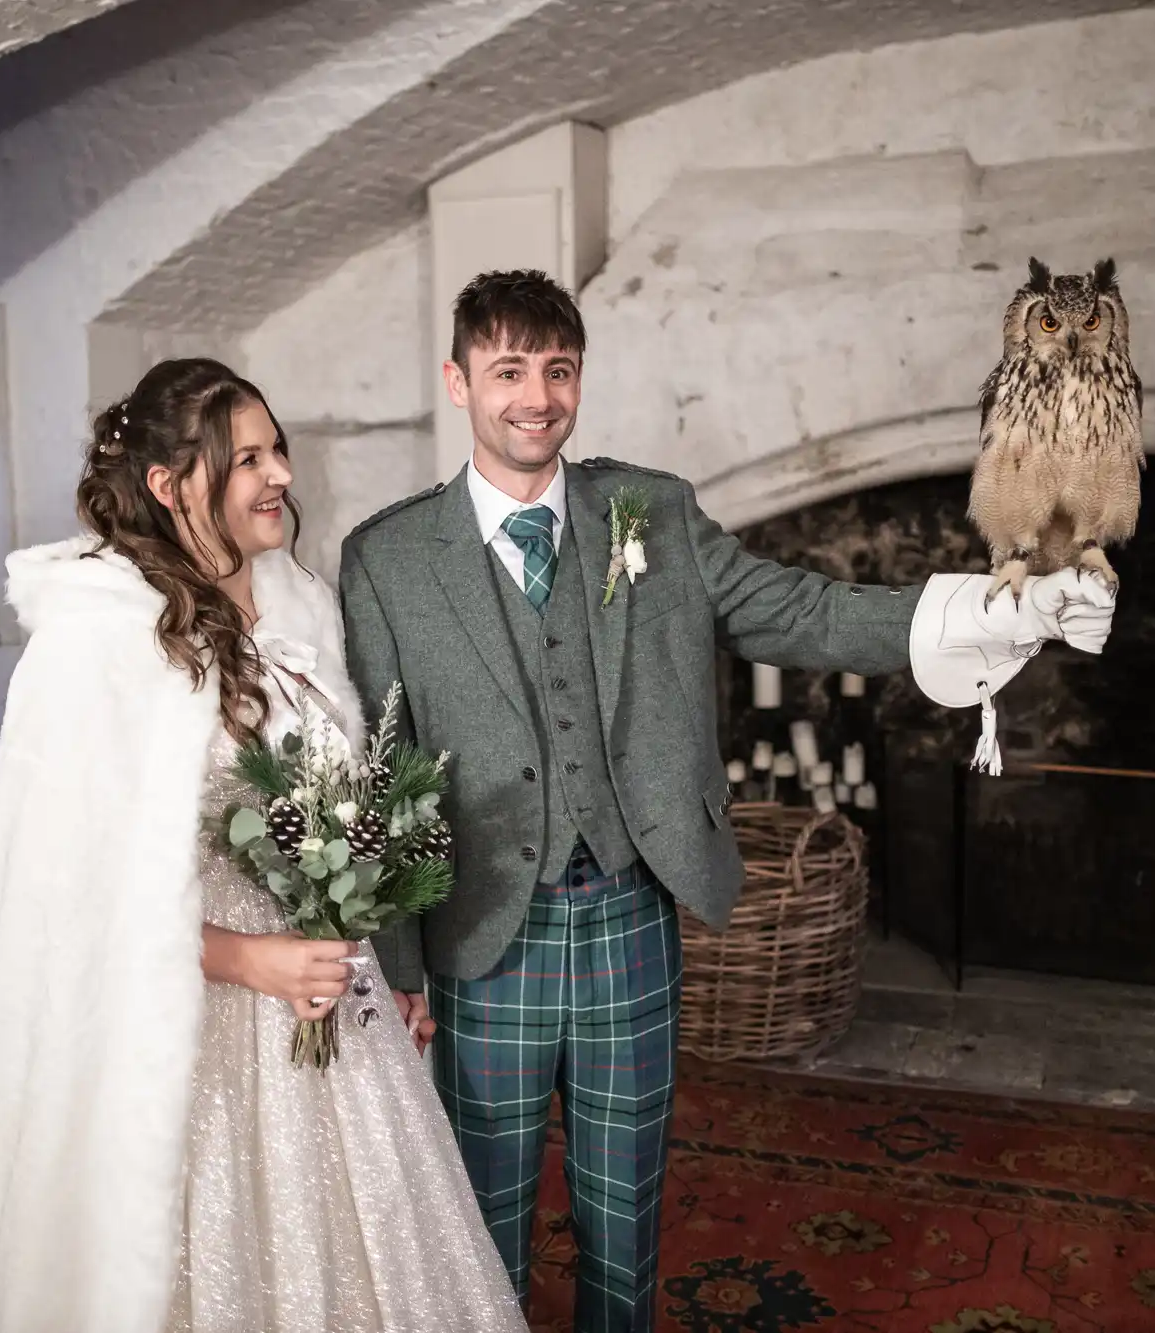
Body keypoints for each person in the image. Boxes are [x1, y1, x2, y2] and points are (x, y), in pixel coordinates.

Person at [338, 270, 1115, 1330]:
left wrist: (995, 609)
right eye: (507, 370)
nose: (535, 397)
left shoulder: (646, 508)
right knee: (481, 1227)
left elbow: (797, 609)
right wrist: (400, 970)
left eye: (556, 371)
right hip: (481, 943)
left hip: (628, 920)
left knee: (625, 1221)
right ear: (459, 380)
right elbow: (381, 772)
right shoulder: (384, 558)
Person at [0, 359, 526, 1333]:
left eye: (279, 453)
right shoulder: (95, 642)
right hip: (183, 1019)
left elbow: (328, 800)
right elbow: (71, 894)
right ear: (168, 482)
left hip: (321, 998)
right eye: (248, 458)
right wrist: (249, 959)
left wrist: (359, 924)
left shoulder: (297, 604)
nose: (279, 477)